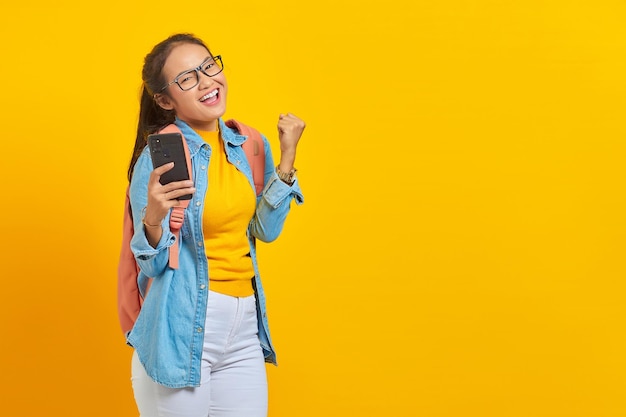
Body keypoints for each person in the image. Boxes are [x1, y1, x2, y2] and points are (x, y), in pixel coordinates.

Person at [126, 33, 305, 417]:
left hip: (243, 327)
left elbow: (265, 231)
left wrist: (287, 160)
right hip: (181, 325)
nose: (207, 81)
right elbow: (153, 266)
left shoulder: (249, 145)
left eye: (208, 67)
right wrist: (153, 217)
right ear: (164, 100)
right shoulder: (159, 158)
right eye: (187, 78)